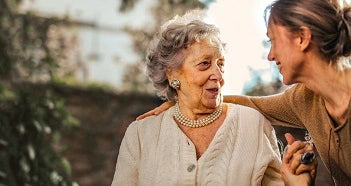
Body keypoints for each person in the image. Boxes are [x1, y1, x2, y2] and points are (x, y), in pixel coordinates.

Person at [136, 0, 351, 185]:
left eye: (273, 41)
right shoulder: (308, 97)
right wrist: (184, 102)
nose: (270, 55)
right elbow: (253, 104)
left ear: (302, 38)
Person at [112, 10, 316, 186]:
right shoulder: (140, 134)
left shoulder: (252, 124)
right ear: (172, 74)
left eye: (221, 64)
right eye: (204, 64)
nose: (218, 75)